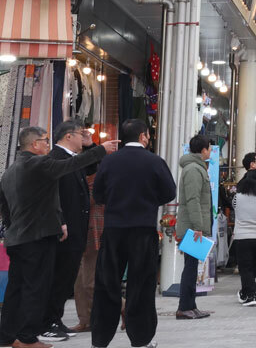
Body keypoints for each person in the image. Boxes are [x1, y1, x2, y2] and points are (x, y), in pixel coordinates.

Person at [0, 125, 114, 348]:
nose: (48, 146)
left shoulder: (11, 170)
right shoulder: (38, 164)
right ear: (35, 145)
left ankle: (6, 336)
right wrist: (100, 151)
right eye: (45, 141)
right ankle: (28, 337)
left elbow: (4, 208)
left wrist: (14, 228)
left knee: (16, 289)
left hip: (18, 238)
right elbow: (71, 164)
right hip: (37, 237)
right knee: (35, 288)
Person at [90, 120, 176, 348]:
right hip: (143, 229)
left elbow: (98, 194)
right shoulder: (155, 162)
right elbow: (169, 192)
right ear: (143, 136)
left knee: (107, 284)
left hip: (114, 229)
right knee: (142, 284)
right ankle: (141, 338)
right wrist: (148, 202)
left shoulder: (109, 161)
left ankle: (100, 339)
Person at [42, 122, 101, 339]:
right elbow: (54, 196)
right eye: (80, 135)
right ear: (68, 136)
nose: (82, 138)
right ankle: (48, 322)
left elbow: (92, 169)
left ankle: (55, 319)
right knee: (59, 278)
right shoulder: (57, 158)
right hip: (65, 230)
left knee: (65, 278)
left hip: (75, 229)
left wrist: (89, 145)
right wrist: (61, 221)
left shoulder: (69, 159)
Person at [175, 135, 213, 319]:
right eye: (210, 148)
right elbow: (193, 199)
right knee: (190, 268)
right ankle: (184, 306)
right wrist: (198, 226)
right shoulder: (193, 170)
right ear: (203, 150)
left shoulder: (198, 168)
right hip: (192, 228)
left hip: (195, 227)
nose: (211, 151)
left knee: (193, 267)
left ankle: (191, 305)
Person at [71, 170, 102, 332]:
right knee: (79, 280)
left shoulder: (98, 179)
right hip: (79, 232)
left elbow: (89, 200)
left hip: (93, 232)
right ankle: (85, 319)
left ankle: (122, 305)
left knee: (89, 281)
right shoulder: (79, 178)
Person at [232, 171, 256, 305]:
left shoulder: (237, 197)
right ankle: (246, 291)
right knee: (253, 267)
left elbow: (234, 208)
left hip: (242, 236)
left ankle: (250, 296)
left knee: (245, 267)